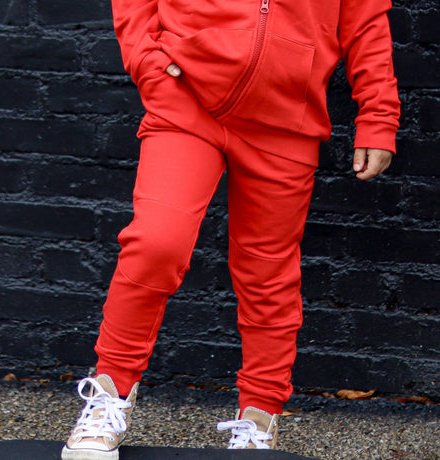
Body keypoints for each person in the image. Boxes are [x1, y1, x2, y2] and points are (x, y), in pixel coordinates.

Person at [62, 0, 400, 458]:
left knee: (268, 274)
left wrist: (378, 117)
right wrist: (146, 59)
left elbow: (366, 21)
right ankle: (108, 393)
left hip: (287, 119)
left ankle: (259, 420)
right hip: (186, 99)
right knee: (157, 241)